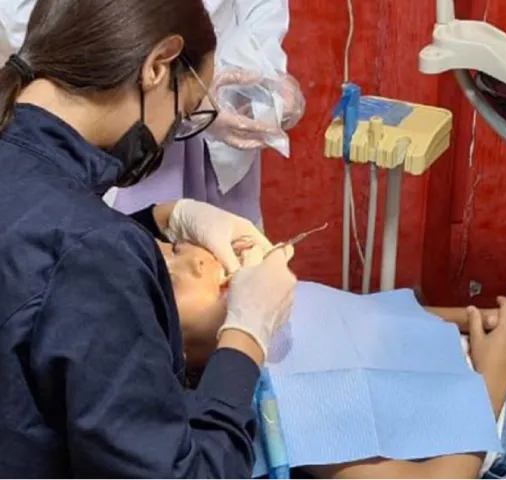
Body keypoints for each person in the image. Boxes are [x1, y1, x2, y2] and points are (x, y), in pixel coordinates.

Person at [0, 1, 297, 479]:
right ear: (157, 66)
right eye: (183, 115)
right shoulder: (94, 255)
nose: (168, 135)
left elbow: (31, 259)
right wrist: (246, 336)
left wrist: (162, 218)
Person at [159, 240, 506, 480]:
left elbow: (372, 319)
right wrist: (492, 379)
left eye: (174, 247)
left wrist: (473, 319)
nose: (197, 260)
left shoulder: (270, 304)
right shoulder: (276, 407)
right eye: (171, 282)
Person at [0, 0, 296, 230]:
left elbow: (263, 8)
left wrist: (256, 79)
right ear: (155, 68)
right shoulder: (90, 241)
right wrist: (188, 87)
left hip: (184, 88)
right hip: (123, 92)